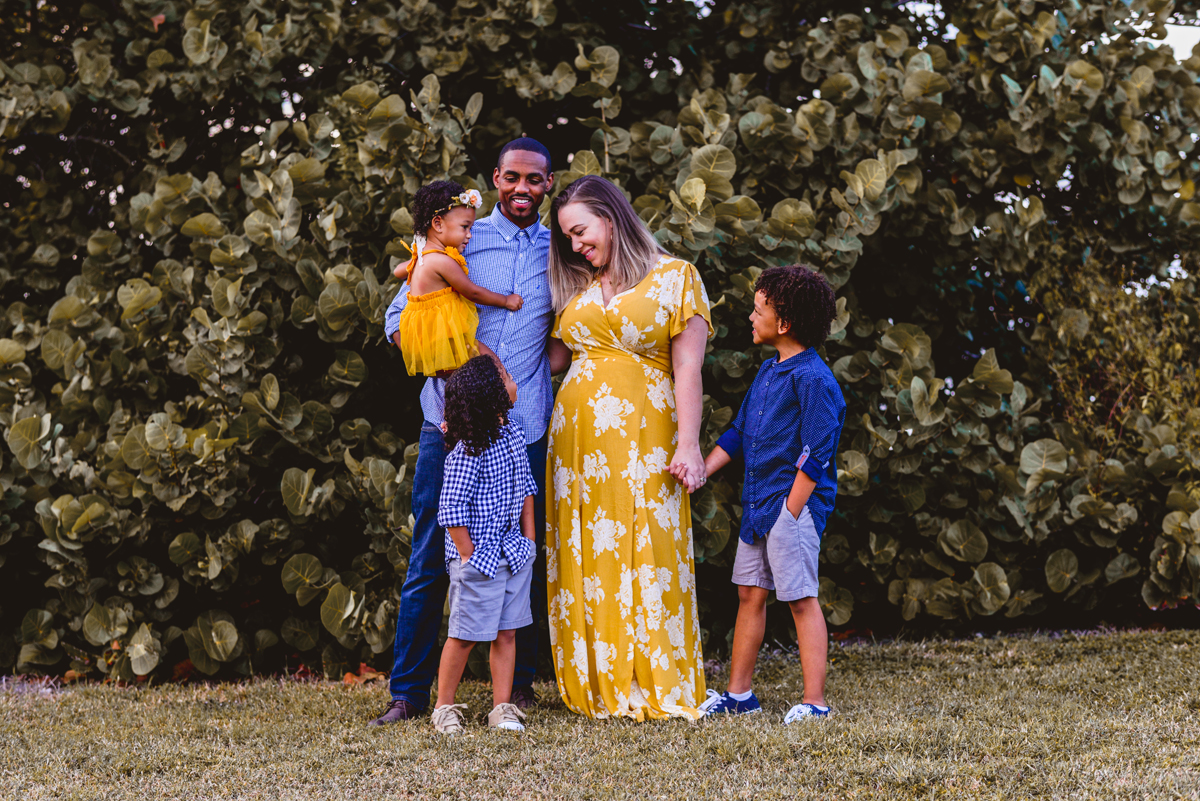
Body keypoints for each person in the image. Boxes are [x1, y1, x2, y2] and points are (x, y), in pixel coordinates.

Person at [373, 138, 570, 725]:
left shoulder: (560, 252)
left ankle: (520, 687)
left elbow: (570, 328)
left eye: (534, 181)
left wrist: (538, 372)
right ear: (495, 178)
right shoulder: (459, 238)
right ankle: (407, 692)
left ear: (548, 185)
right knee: (433, 551)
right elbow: (396, 317)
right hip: (449, 423)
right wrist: (441, 360)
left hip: (525, 424)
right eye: (512, 178)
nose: (522, 190)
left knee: (522, 551)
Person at [545, 175, 711, 721]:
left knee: (648, 544)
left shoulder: (675, 277)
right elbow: (551, 360)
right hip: (576, 449)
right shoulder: (578, 287)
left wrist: (689, 444)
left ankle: (655, 678)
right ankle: (596, 682)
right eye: (567, 236)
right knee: (589, 551)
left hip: (646, 437)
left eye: (580, 230)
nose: (575, 245)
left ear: (611, 217)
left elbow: (688, 366)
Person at [697, 264, 846, 723]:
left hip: (789, 509)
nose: (750, 317)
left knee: (801, 599)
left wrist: (790, 511)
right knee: (749, 594)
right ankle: (739, 695)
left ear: (783, 323)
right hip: (759, 505)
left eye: (758, 309)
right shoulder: (767, 372)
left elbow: (816, 453)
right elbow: (740, 432)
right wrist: (700, 471)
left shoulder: (815, 379)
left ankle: (815, 702)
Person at [429, 355, 539, 734]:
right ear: (492, 396)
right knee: (464, 636)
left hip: (513, 553)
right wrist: (468, 555)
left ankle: (502, 708)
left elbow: (526, 487)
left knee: (507, 631)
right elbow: (451, 508)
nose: (514, 382)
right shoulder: (467, 451)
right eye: (507, 378)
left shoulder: (514, 434)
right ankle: (444, 707)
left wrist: (530, 539)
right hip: (478, 559)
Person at [393, 180, 523, 377]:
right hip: (446, 338)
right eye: (465, 227)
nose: (470, 235)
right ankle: (507, 392)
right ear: (437, 224)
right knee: (493, 365)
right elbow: (473, 292)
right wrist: (506, 300)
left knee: (460, 386)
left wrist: (412, 266)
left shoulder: (421, 257)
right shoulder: (443, 262)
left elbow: (397, 271)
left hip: (426, 340)